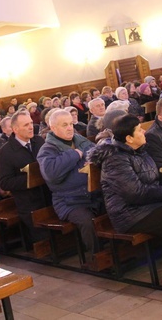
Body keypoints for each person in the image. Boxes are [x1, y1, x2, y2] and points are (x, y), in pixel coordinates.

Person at [89, 114, 162, 279]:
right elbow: (134, 193)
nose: (144, 131)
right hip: (128, 213)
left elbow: (153, 178)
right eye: (139, 130)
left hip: (148, 205)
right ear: (129, 138)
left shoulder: (139, 151)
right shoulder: (115, 160)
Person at [37, 110, 104, 257]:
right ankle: (97, 258)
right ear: (53, 128)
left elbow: (99, 152)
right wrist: (75, 154)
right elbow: (51, 174)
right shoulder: (47, 150)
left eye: (71, 124)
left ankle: (116, 251)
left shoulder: (80, 140)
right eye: (64, 125)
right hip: (69, 202)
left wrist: (94, 161)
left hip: (93, 195)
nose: (69, 128)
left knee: (114, 206)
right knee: (87, 221)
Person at [0, 111, 51, 243]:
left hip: (48, 195)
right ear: (15, 129)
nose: (31, 127)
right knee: (44, 240)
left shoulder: (38, 141)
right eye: (26, 125)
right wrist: (30, 179)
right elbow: (5, 182)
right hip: (28, 201)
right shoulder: (5, 152)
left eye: (31, 123)